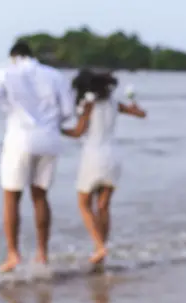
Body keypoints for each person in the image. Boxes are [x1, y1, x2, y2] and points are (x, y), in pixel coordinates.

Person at [0, 41, 73, 272]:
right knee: (40, 196)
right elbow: (68, 111)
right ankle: (42, 253)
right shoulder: (54, 75)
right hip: (49, 140)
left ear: (13, 56)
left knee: (12, 197)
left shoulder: (5, 73)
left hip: (20, 139)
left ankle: (13, 254)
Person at [61, 70, 146, 264]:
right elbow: (141, 114)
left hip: (93, 157)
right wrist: (135, 106)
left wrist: (56, 129)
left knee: (84, 204)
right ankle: (101, 250)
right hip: (113, 157)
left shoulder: (88, 104)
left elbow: (77, 131)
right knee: (103, 207)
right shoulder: (114, 103)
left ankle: (99, 247)